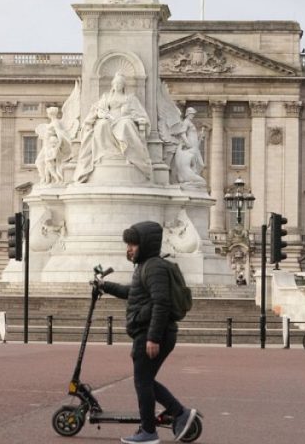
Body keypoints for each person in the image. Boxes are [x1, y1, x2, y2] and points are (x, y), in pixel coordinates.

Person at [98, 221, 199, 444]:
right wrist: (105, 286)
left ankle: (150, 431)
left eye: (133, 244)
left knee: (143, 382)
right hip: (148, 331)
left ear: (145, 244)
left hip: (154, 333)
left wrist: (153, 337)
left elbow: (161, 303)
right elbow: (132, 293)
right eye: (128, 244)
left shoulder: (154, 267)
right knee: (145, 380)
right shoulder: (146, 266)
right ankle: (178, 413)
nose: (129, 249)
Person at [74, 72, 152, 183]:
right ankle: (103, 155)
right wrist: (101, 115)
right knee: (101, 125)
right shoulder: (106, 97)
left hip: (124, 118)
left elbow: (138, 112)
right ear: (112, 84)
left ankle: (129, 155)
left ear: (123, 85)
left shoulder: (130, 98)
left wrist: (137, 118)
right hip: (108, 119)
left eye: (120, 83)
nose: (117, 85)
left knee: (126, 125)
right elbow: (98, 109)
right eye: (116, 83)